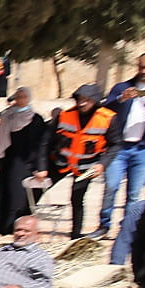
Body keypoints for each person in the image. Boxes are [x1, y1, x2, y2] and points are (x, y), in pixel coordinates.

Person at [96, 52, 145, 239]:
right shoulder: (122, 87)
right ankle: (104, 225)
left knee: (134, 193)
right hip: (119, 147)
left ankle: (126, 229)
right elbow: (104, 110)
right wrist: (121, 99)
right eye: (143, 67)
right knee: (111, 186)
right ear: (138, 66)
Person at [49, 84, 116, 239]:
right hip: (62, 162)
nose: (82, 103)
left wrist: (102, 164)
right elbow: (47, 140)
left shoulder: (108, 118)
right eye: (80, 99)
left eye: (87, 100)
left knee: (77, 198)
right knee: (36, 190)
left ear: (95, 101)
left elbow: (116, 144)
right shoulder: (65, 115)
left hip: (87, 165)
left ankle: (75, 235)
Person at [0, 88, 48, 235]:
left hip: (24, 163)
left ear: (28, 98)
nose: (21, 99)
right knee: (1, 194)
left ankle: (14, 227)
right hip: (4, 160)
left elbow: (41, 144)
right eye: (18, 97)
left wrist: (39, 166)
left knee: (17, 195)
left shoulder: (36, 119)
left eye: (24, 97)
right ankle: (1, 227)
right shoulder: (5, 116)